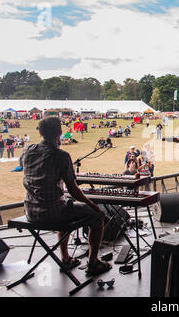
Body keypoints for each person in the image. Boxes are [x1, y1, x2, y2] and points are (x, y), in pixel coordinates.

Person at [19, 116, 111, 276]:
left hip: (31, 211)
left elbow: (26, 169)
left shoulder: (27, 150)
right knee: (97, 216)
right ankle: (93, 263)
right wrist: (92, 205)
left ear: (40, 132)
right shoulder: (61, 156)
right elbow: (74, 190)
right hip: (53, 213)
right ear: (60, 133)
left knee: (65, 203)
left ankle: (66, 258)